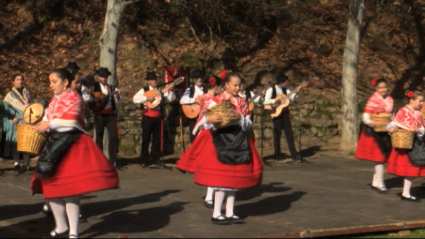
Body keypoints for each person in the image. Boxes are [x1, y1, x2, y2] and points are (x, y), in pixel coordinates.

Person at [30, 68, 119, 238]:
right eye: (50, 82)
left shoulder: (74, 97)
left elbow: (71, 121)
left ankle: (73, 232)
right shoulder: (55, 99)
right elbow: (48, 116)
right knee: (50, 188)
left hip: (72, 145)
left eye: (54, 81)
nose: (50, 85)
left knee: (71, 191)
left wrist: (49, 125)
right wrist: (41, 124)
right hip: (55, 144)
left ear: (64, 82)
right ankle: (62, 225)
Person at [177, 72, 263, 224]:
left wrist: (241, 119)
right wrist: (209, 119)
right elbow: (204, 120)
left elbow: (249, 124)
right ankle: (217, 213)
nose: (238, 87)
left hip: (238, 142)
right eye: (235, 85)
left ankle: (230, 212)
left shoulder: (242, 103)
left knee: (233, 181)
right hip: (220, 142)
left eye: (239, 85)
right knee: (222, 181)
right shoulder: (216, 100)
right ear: (227, 85)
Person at [355, 78, 393, 193]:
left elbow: (391, 114)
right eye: (380, 87)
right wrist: (374, 122)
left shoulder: (390, 99)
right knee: (380, 158)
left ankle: (375, 182)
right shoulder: (372, 100)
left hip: (385, 130)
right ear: (376, 88)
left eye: (384, 87)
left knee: (382, 158)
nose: (383, 89)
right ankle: (380, 183)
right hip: (374, 132)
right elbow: (365, 117)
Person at [387, 90, 425, 202]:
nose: (421, 103)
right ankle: (406, 193)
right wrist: (391, 128)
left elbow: (422, 126)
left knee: (412, 170)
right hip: (406, 146)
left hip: (416, 143)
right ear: (412, 100)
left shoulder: (418, 114)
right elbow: (394, 123)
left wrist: (418, 130)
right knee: (410, 170)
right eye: (420, 101)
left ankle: (406, 193)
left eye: (422, 101)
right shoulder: (403, 111)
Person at [133, 70, 175, 168]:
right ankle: (144, 159)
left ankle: (155, 158)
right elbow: (135, 99)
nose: (154, 81)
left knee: (157, 139)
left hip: (158, 117)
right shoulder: (144, 90)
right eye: (152, 79)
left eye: (155, 79)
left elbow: (170, 99)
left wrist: (171, 90)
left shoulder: (161, 90)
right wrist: (146, 99)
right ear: (148, 81)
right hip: (147, 116)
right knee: (146, 138)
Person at [192, 75, 223, 209]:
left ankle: (211, 195)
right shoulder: (212, 99)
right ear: (215, 87)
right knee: (213, 165)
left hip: (204, 130)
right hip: (209, 131)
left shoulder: (203, 97)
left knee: (210, 165)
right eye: (219, 87)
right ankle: (210, 196)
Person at [83, 67, 122, 166]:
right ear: (98, 77)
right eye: (102, 77)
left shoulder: (112, 88)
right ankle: (99, 159)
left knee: (113, 136)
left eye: (105, 77)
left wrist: (117, 97)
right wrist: (95, 99)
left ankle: (113, 159)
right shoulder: (94, 87)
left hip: (110, 115)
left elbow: (120, 102)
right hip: (99, 114)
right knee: (99, 135)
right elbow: (87, 98)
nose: (104, 79)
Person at [263, 72, 301, 162]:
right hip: (276, 113)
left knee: (289, 133)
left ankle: (294, 154)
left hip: (285, 113)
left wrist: (297, 92)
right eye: (285, 81)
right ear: (281, 81)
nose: (287, 83)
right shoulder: (271, 89)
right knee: (277, 134)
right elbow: (266, 101)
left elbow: (292, 97)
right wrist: (277, 100)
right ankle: (277, 154)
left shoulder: (286, 90)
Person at [2, 73, 32, 173]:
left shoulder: (27, 93)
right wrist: (13, 117)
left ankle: (26, 164)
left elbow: (31, 107)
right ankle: (16, 163)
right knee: (17, 143)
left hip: (27, 120)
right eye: (17, 79)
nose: (20, 81)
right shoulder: (10, 95)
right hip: (17, 121)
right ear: (13, 82)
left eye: (21, 79)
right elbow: (6, 109)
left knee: (26, 143)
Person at [180, 69, 205, 143]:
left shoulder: (207, 89)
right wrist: (194, 100)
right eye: (197, 77)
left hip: (205, 116)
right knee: (194, 138)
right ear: (194, 79)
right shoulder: (190, 90)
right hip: (194, 117)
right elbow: (182, 100)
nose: (199, 79)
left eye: (201, 77)